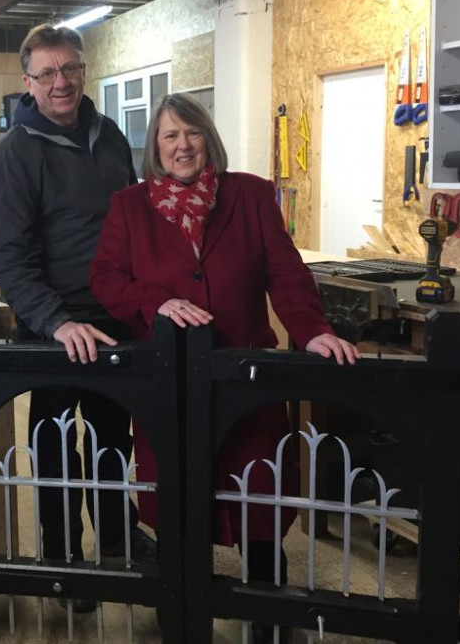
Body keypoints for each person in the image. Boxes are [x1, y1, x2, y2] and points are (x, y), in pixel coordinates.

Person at [89, 92, 358, 643]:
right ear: (154, 147)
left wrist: (314, 331)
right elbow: (107, 278)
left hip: (245, 379)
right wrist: (155, 304)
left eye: (191, 133)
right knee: (177, 501)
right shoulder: (129, 206)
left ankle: (269, 618)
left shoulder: (253, 195)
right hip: (169, 382)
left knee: (257, 497)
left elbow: (286, 274)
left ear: (208, 139)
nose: (182, 145)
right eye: (170, 135)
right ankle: (181, 616)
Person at [0, 23, 155, 601]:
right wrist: (56, 321)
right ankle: (63, 559)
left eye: (71, 69)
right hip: (52, 327)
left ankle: (116, 539)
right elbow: (10, 258)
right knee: (57, 445)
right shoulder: (15, 156)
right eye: (48, 73)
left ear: (84, 71)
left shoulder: (108, 135)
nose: (62, 83)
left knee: (113, 439)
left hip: (114, 320)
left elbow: (134, 220)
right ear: (28, 82)